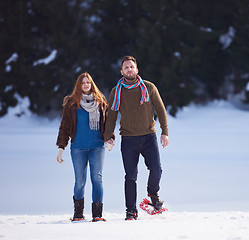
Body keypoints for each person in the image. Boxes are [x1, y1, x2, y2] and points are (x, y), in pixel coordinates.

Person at [104, 55, 169, 220]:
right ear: (122, 71)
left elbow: (161, 110)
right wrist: (108, 136)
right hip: (128, 139)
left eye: (131, 66)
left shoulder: (148, 87)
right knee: (130, 176)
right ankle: (131, 211)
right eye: (126, 67)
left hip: (149, 136)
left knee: (156, 169)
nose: (129, 69)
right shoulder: (116, 91)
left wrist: (165, 132)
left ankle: (153, 196)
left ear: (137, 69)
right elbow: (111, 115)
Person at [56, 72, 113, 222]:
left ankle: (97, 215)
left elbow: (107, 123)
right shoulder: (71, 103)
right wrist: (61, 147)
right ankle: (78, 214)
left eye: (88, 82)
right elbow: (65, 127)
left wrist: (109, 139)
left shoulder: (101, 102)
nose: (86, 85)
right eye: (83, 83)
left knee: (97, 179)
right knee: (80, 181)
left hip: (97, 147)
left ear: (92, 84)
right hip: (78, 148)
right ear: (79, 85)